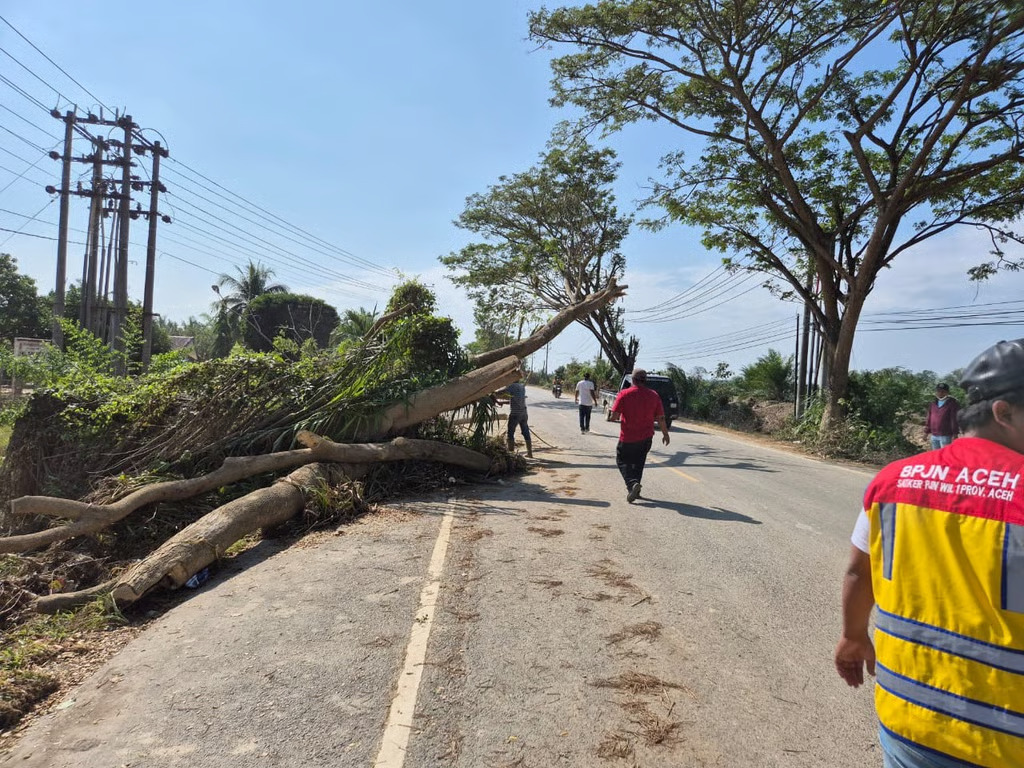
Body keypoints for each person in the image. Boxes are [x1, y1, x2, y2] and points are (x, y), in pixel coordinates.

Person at [834, 339, 1024, 767]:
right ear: (1004, 413)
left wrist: (851, 636)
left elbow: (858, 573)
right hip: (1005, 742)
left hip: (909, 720)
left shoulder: (892, 481)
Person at [610, 368, 670, 503]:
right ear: (645, 380)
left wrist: (611, 414)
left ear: (633, 380)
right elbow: (660, 417)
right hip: (646, 438)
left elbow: (614, 417)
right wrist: (665, 434)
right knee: (639, 463)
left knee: (622, 460)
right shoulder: (654, 395)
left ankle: (632, 484)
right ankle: (635, 491)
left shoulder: (624, 394)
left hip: (628, 437)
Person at [498, 374, 533, 458]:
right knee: (525, 432)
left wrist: (492, 393)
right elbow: (515, 399)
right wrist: (502, 402)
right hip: (524, 413)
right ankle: (530, 453)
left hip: (515, 414)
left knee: (510, 432)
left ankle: (511, 454)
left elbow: (501, 393)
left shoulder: (512, 386)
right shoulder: (522, 387)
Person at [924, 382, 960, 450]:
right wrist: (926, 432)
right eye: (938, 391)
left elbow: (954, 419)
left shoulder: (952, 404)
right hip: (934, 435)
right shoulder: (933, 404)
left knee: (944, 455)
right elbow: (929, 419)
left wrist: (955, 434)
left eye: (943, 391)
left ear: (947, 392)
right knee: (936, 455)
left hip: (945, 435)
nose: (940, 393)